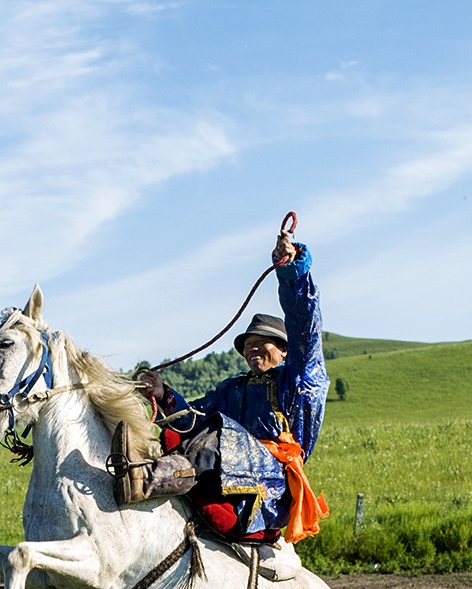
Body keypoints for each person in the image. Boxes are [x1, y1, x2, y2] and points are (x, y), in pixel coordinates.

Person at [109, 229, 330, 544]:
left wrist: (293, 271)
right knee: (188, 430)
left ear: (284, 350)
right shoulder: (233, 388)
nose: (252, 348)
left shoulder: (299, 382)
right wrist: (162, 394)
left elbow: (305, 326)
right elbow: (193, 417)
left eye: (261, 342)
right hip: (226, 465)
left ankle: (147, 479)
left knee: (217, 431)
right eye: (248, 344)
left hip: (270, 479)